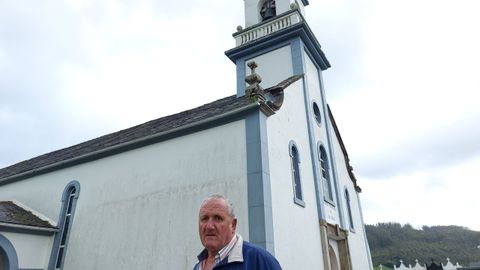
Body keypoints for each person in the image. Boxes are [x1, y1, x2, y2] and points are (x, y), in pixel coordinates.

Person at [193, 194, 282, 270]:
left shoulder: (260, 261)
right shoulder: (198, 266)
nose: (209, 226)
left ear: (233, 225)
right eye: (204, 218)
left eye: (217, 218)